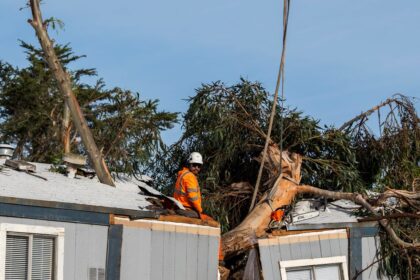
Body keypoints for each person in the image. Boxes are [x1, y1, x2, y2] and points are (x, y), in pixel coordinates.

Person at [173, 152, 204, 219]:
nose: (196, 168)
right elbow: (193, 197)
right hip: (185, 208)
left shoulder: (183, 174)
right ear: (189, 164)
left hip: (179, 207)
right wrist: (199, 210)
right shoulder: (190, 176)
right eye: (194, 165)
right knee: (202, 218)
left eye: (199, 166)